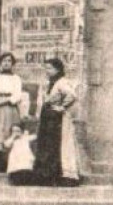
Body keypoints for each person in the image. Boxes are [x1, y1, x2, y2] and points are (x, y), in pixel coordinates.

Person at [31, 57, 82, 186]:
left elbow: (72, 95)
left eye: (49, 68)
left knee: (56, 144)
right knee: (47, 144)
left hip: (56, 119)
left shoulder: (61, 82)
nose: (47, 71)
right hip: (48, 117)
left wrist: (62, 107)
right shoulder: (51, 83)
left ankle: (60, 175)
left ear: (58, 69)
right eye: (46, 68)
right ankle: (46, 175)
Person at [5, 117, 39, 186]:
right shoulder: (12, 140)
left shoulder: (25, 138)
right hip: (16, 162)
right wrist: (12, 137)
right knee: (16, 173)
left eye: (18, 131)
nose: (16, 133)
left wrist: (26, 134)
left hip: (25, 161)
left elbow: (35, 136)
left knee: (26, 169)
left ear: (22, 131)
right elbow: (7, 144)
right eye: (14, 131)